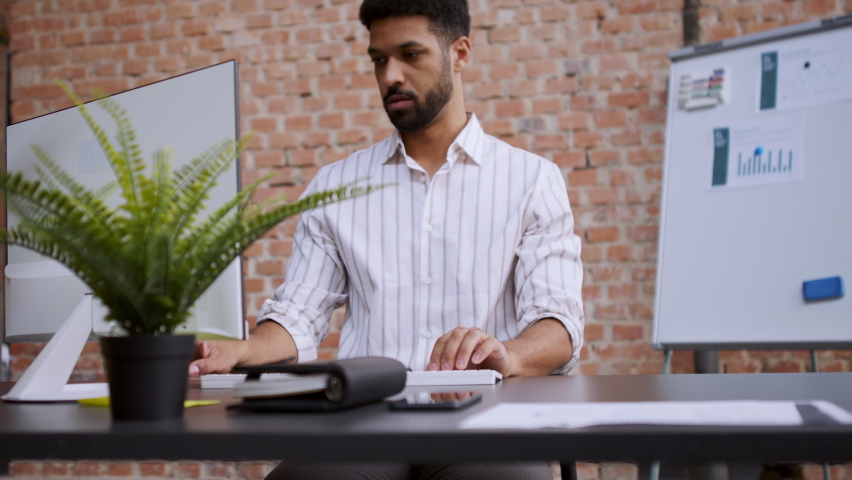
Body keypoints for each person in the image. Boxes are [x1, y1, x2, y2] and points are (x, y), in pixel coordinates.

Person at [190, 0, 584, 478]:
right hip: (361, 426)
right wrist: (239, 351)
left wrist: (511, 354)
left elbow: (558, 324)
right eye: (379, 59)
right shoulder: (336, 185)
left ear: (459, 53)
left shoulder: (531, 180)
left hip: (487, 423)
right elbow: (297, 315)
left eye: (410, 54)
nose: (391, 75)